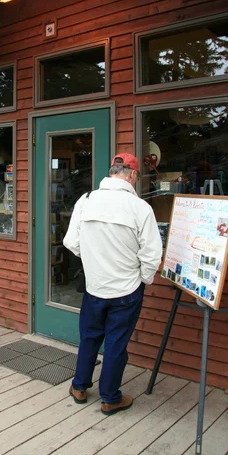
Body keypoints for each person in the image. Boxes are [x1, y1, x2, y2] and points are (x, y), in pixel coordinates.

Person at [63, 153, 162, 416]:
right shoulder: (141, 208)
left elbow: (71, 242)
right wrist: (143, 279)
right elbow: (151, 255)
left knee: (89, 338)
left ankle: (79, 387)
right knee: (116, 344)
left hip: (94, 287)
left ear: (112, 172)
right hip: (127, 290)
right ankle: (110, 398)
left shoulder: (86, 201)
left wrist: (95, 260)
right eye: (136, 177)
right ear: (131, 175)